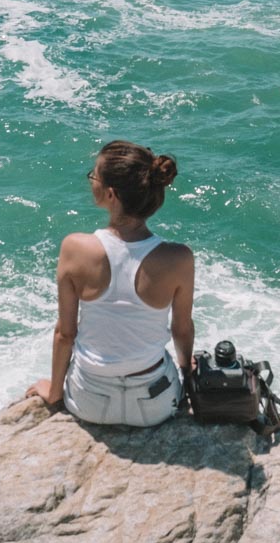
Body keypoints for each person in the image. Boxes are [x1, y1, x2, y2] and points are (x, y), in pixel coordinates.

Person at [25, 140, 195, 426]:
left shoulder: (75, 248)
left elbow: (65, 334)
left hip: (88, 401)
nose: (91, 181)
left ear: (111, 194)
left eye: (94, 176)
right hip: (155, 405)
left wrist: (54, 393)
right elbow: (181, 329)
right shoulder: (178, 258)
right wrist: (188, 375)